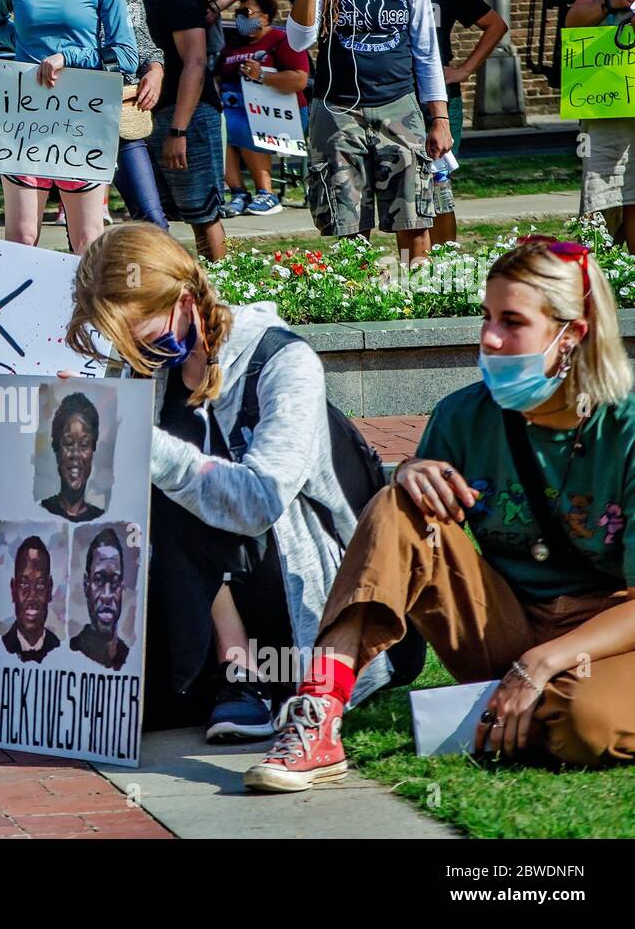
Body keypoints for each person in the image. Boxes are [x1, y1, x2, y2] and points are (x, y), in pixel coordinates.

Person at [246, 238, 635, 792]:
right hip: (505, 622)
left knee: (585, 725)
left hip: (610, 635)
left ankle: (509, 707)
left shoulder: (627, 428)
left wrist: (543, 663)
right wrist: (407, 472)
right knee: (399, 503)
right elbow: (400, 535)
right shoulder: (463, 415)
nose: (489, 338)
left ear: (570, 336)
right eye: (485, 316)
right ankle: (320, 711)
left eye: (512, 321)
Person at [66, 222, 392, 740]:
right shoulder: (142, 366)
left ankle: (243, 669)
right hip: (189, 592)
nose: (133, 351)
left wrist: (139, 443)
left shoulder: (284, 361)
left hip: (292, 594)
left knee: (173, 476)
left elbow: (260, 502)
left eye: (141, 331)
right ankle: (222, 668)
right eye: (119, 339)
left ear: (186, 297)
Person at [287, 0, 453, 264]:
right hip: (338, 111)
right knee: (349, 225)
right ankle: (361, 301)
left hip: (398, 104)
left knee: (413, 220)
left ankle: (416, 294)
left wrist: (440, 117)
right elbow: (299, 40)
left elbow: (426, 50)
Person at [0, 0, 137, 255]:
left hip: (81, 120)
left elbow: (126, 56)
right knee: (22, 240)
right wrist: (26, 48)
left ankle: (86, 300)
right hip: (24, 118)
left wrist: (66, 57)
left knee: (86, 242)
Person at [143, 0, 228, 260]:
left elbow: (195, 61)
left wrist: (178, 131)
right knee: (172, 215)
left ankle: (223, 290)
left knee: (203, 215)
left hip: (187, 116)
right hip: (157, 114)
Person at [425, 0, 506, 244]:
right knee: (407, 196)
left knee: (438, 185)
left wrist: (464, 70)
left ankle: (442, 266)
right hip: (395, 96)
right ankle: (415, 267)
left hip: (440, 100)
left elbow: (496, 25)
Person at [217, 0, 309, 218]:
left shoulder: (281, 40)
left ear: (265, 17)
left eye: (247, 13)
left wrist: (263, 76)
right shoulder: (232, 47)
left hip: (282, 114)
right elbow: (217, 75)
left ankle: (266, 193)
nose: (241, 18)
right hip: (236, 109)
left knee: (244, 125)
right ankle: (239, 193)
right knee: (217, 128)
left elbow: (300, 79)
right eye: (238, 13)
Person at [566, 0, 635, 253]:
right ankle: (603, 275)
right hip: (607, 108)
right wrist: (610, 3)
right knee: (603, 194)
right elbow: (573, 21)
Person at [112, 0, 168, 231]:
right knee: (84, 229)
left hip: (123, 112)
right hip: (73, 111)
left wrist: (155, 70)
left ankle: (161, 271)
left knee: (151, 218)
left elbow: (144, 45)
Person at [70, 527, 131, 670]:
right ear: (86, 585)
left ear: (122, 587)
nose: (107, 595)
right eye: (98, 580)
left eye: (115, 582)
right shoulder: (71, 650)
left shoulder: (130, 657)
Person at [40, 392, 106, 522]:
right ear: (57, 449)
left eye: (84, 444)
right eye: (69, 444)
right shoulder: (40, 512)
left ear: (93, 450)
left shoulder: (102, 521)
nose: (76, 454)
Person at [2, 536, 61, 663]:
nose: (32, 596)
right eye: (24, 584)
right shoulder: (1, 647)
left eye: (40, 584)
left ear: (49, 589)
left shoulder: (59, 649)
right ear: (13, 590)